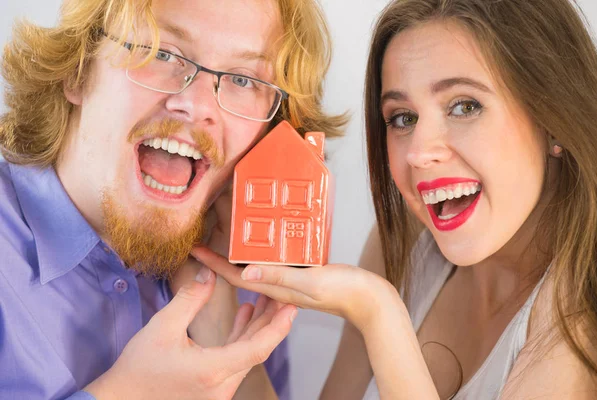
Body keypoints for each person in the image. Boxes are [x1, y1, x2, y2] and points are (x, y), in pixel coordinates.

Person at [194, 0, 597, 398]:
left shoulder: (579, 327)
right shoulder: (401, 245)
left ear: (552, 122)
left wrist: (379, 315)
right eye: (403, 118)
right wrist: (209, 291)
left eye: (464, 106)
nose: (418, 153)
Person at [0, 0, 346, 398]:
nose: (197, 106)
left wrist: (219, 321)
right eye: (163, 54)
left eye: (243, 80)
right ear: (78, 71)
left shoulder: (246, 286)